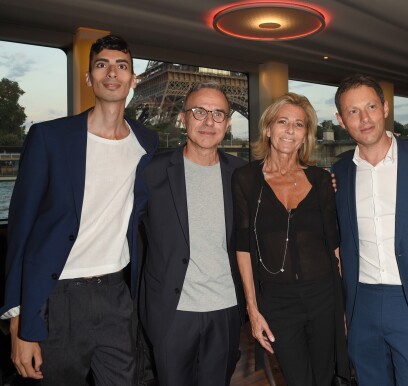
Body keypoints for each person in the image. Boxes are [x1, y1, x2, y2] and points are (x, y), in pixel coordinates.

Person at [0, 35, 159, 384]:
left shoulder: (147, 143)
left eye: (122, 66)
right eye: (102, 65)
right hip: (58, 298)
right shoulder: (49, 138)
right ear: (90, 78)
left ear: (134, 79)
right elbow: (21, 228)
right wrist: (18, 319)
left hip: (118, 295)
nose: (112, 73)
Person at [233, 92, 349, 386]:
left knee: (324, 378)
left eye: (299, 124)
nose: (289, 130)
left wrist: (345, 306)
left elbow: (334, 246)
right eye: (282, 121)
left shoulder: (321, 180)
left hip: (324, 295)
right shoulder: (245, 179)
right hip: (278, 301)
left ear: (306, 135)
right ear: (268, 128)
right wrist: (253, 309)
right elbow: (243, 247)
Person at [332, 74, 408, 386]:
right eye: (353, 112)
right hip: (360, 303)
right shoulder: (338, 173)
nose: (364, 118)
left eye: (370, 107)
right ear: (340, 120)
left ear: (385, 107)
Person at [138, 82, 246, 386]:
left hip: (226, 311)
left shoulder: (243, 174)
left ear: (228, 122)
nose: (209, 121)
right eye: (199, 112)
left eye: (218, 114)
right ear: (183, 118)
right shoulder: (151, 171)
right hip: (171, 314)